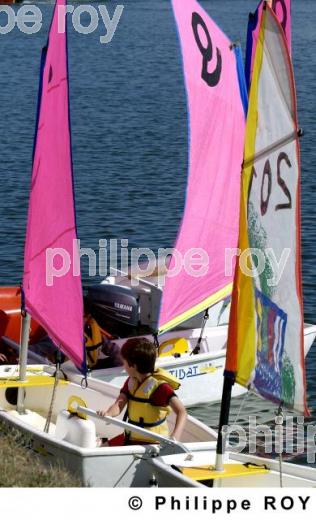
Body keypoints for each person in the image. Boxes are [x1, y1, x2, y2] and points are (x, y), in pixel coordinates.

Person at [97, 337, 187, 445]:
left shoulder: (160, 388)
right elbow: (119, 404)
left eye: (124, 363)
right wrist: (108, 414)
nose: (123, 366)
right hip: (130, 438)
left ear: (133, 366)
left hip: (153, 444)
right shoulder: (130, 382)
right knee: (102, 449)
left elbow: (182, 412)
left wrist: (174, 438)